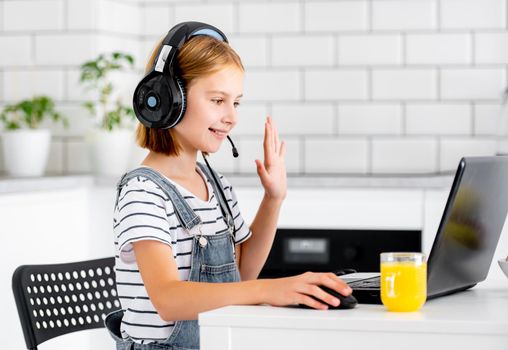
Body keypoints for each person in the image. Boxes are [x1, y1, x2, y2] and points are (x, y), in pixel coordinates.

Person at [105, 22, 352, 350]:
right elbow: (167, 298)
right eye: (218, 100)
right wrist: (268, 290)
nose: (232, 117)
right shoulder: (143, 192)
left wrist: (273, 199)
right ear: (167, 99)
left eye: (236, 103)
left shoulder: (216, 186)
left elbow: (242, 274)